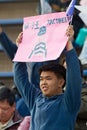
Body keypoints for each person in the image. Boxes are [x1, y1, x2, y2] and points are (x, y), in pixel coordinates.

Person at [14, 25, 82, 130]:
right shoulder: (35, 99)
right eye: (41, 79)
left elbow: (74, 78)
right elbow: (20, 79)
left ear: (61, 82)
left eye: (48, 78)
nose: (43, 82)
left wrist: (68, 44)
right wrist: (21, 50)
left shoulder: (68, 102)